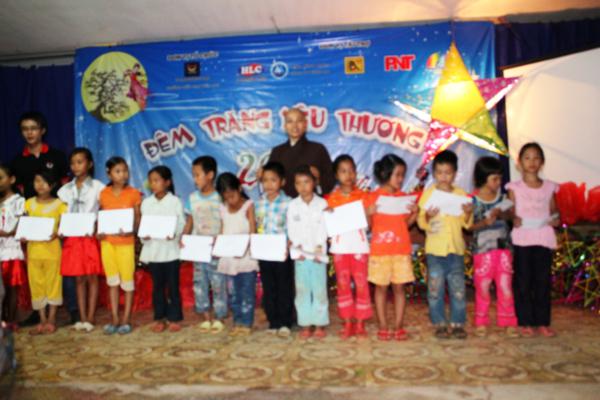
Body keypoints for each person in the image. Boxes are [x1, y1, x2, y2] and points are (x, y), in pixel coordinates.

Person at [10, 111, 75, 327]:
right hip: (33, 222)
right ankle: (39, 314)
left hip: (55, 220)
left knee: (59, 271)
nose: (29, 133)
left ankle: (69, 311)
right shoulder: (18, 161)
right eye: (25, 129)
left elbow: (66, 188)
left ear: (42, 130)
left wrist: (62, 224)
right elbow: (19, 195)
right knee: (36, 273)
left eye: (33, 128)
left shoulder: (56, 156)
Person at [418, 150, 473, 340]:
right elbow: (420, 221)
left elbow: (467, 224)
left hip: (455, 250)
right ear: (434, 173)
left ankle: (457, 323)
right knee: (435, 289)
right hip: (435, 251)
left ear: (455, 174)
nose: (443, 176)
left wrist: (468, 212)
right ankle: (439, 322)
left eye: (448, 172)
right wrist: (427, 216)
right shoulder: (428, 195)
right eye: (440, 172)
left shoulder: (460, 194)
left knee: (458, 289)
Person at [506, 142, 559, 337]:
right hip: (523, 238)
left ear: (542, 162)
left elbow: (554, 210)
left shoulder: (549, 187)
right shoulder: (514, 187)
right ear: (519, 163)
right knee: (523, 281)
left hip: (543, 237)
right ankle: (525, 321)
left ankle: (543, 321)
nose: (532, 162)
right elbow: (510, 210)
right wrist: (514, 218)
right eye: (527, 158)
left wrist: (555, 219)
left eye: (536, 158)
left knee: (542, 281)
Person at [365, 154, 417, 341]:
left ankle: (398, 326)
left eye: (403, 175)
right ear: (385, 174)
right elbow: (369, 226)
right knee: (380, 289)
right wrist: (368, 213)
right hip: (380, 253)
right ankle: (383, 325)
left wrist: (414, 214)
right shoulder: (373, 198)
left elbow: (406, 224)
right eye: (398, 175)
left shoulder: (404, 198)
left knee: (399, 289)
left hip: (401, 251)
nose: (401, 179)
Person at [470, 157, 518, 338]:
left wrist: (504, 214)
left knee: (505, 287)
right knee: (482, 287)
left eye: (500, 178)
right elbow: (468, 227)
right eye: (494, 179)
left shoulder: (503, 199)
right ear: (483, 179)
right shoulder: (472, 201)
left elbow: (511, 218)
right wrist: (484, 222)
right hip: (482, 251)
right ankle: (481, 321)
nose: (498, 183)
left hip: (503, 249)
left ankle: (508, 320)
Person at [57, 148, 104, 333]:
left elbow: (104, 211)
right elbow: (61, 214)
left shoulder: (98, 187)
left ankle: (90, 316)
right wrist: (60, 229)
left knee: (92, 277)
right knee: (78, 278)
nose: (76, 166)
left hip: (89, 237)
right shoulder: (64, 190)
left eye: (80, 162)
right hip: (72, 239)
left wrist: (99, 228)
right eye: (73, 163)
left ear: (89, 164)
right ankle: (81, 317)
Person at [326, 155, 372, 339]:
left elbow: (369, 225)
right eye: (343, 171)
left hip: (359, 247)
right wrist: (328, 215)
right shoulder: (331, 199)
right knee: (343, 284)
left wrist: (368, 214)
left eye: (351, 170)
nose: (348, 175)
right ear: (336, 175)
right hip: (340, 248)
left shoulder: (363, 197)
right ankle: (347, 322)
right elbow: (328, 225)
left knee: (361, 283)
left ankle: (360, 322)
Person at [182, 156, 228, 334]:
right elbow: (190, 220)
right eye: (193, 175)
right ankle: (206, 317)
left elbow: (224, 221)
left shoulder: (220, 198)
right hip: (198, 247)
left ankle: (219, 316)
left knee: (218, 283)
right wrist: (184, 237)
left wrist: (221, 240)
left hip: (215, 247)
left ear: (210, 175)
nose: (195, 179)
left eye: (198, 175)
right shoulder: (192, 198)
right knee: (199, 283)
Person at [98, 157, 141, 335]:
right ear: (109, 174)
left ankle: (126, 319)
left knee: (127, 283)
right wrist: (99, 232)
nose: (122, 174)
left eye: (125, 171)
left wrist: (132, 231)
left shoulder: (133, 193)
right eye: (118, 171)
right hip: (108, 243)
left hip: (126, 244)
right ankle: (115, 318)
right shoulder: (103, 193)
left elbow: (137, 218)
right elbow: (101, 216)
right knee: (113, 282)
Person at [140, 166, 185, 333]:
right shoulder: (146, 203)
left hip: (170, 252)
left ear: (167, 182)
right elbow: (143, 225)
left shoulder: (175, 202)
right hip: (154, 251)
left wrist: (174, 234)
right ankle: (160, 318)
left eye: (157, 180)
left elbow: (181, 222)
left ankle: (174, 318)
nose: (153, 184)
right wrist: (144, 236)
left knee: (173, 287)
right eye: (151, 181)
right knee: (157, 288)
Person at [287, 165, 329, 339]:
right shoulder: (293, 205)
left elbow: (325, 228)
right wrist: (298, 248)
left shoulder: (322, 204)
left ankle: (319, 323)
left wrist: (320, 249)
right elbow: (291, 229)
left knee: (319, 289)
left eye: (306, 182)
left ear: (314, 183)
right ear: (295, 185)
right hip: (301, 255)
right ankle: (305, 323)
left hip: (318, 255)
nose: (303, 186)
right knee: (302, 289)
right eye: (298, 183)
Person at [24, 170, 67, 335]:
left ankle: (52, 318)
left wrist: (58, 233)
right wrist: (23, 235)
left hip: (52, 251)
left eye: (44, 181)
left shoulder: (60, 205)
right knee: (36, 284)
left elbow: (64, 227)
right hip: (33, 251)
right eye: (37, 181)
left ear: (53, 184)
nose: (40, 185)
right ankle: (42, 319)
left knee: (53, 284)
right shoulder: (28, 204)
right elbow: (24, 224)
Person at [254, 161, 294, 337]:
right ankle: (273, 321)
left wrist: (289, 243)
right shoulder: (259, 203)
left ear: (282, 181)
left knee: (284, 287)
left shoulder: (289, 203)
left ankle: (285, 322)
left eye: (273, 180)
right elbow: (256, 226)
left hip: (282, 253)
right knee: (269, 287)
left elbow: (293, 227)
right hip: (264, 253)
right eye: (265, 180)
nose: (268, 184)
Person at [216, 173, 258, 336]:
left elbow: (252, 230)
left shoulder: (248, 206)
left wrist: (246, 247)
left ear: (239, 189)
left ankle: (246, 323)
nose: (230, 199)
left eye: (232, 195)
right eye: (225, 197)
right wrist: (218, 246)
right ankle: (237, 321)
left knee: (247, 291)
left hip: (245, 257)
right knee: (233, 293)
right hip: (229, 258)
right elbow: (222, 230)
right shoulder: (222, 209)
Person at [266, 107, 335, 197]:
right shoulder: (277, 151)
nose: (295, 125)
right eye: (290, 121)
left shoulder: (318, 149)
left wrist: (318, 179)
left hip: (311, 202)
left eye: (299, 121)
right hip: (284, 203)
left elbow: (330, 180)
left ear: (305, 124)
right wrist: (262, 173)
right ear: (285, 126)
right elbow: (270, 179)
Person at [0, 164, 26, 328]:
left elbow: (23, 225)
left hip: (11, 249)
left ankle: (10, 319)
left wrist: (8, 233)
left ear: (12, 179)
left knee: (11, 287)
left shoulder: (19, 201)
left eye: (1, 178)